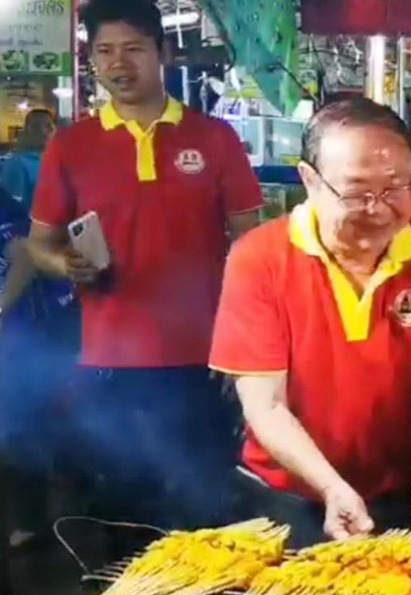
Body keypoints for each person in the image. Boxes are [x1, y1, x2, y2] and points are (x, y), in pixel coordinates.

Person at [25, 0, 262, 530]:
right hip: (108, 361)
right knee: (122, 507)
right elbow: (38, 245)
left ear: (164, 52)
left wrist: (247, 343)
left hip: (205, 358)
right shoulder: (71, 145)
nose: (118, 64)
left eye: (133, 48)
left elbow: (253, 246)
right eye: (104, 51)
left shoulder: (213, 138)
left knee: (206, 502)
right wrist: (66, 264)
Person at [210, 98, 411, 548]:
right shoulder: (259, 259)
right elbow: (265, 404)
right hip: (286, 497)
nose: (378, 208)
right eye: (355, 193)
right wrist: (330, 487)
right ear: (310, 180)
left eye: (396, 187)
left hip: (403, 494)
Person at [0, 188, 76, 547]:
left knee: (19, 422)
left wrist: (1, 307)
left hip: (30, 329)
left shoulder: (4, 205)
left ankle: (34, 524)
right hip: (25, 332)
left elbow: (25, 254)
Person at [1, 109, 55, 213]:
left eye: (52, 126)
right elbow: (11, 208)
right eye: (47, 126)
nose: (51, 130)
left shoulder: (52, 160)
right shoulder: (16, 163)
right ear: (31, 130)